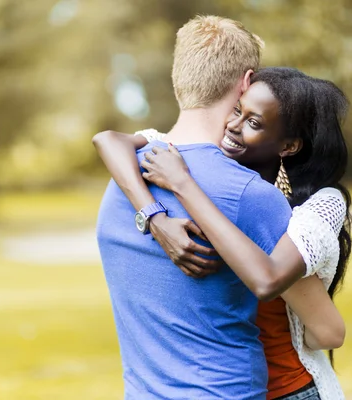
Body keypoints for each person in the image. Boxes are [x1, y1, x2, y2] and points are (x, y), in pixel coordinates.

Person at [94, 68, 352, 399]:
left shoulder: (304, 209)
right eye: (236, 110)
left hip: (287, 390)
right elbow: (107, 139)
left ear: (289, 146)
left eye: (253, 123)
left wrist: (182, 183)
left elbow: (327, 332)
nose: (233, 125)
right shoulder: (189, 160)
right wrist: (155, 217)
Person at [97, 15, 294, 399]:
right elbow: (321, 326)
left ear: (179, 77)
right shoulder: (252, 194)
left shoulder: (121, 183)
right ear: (246, 82)